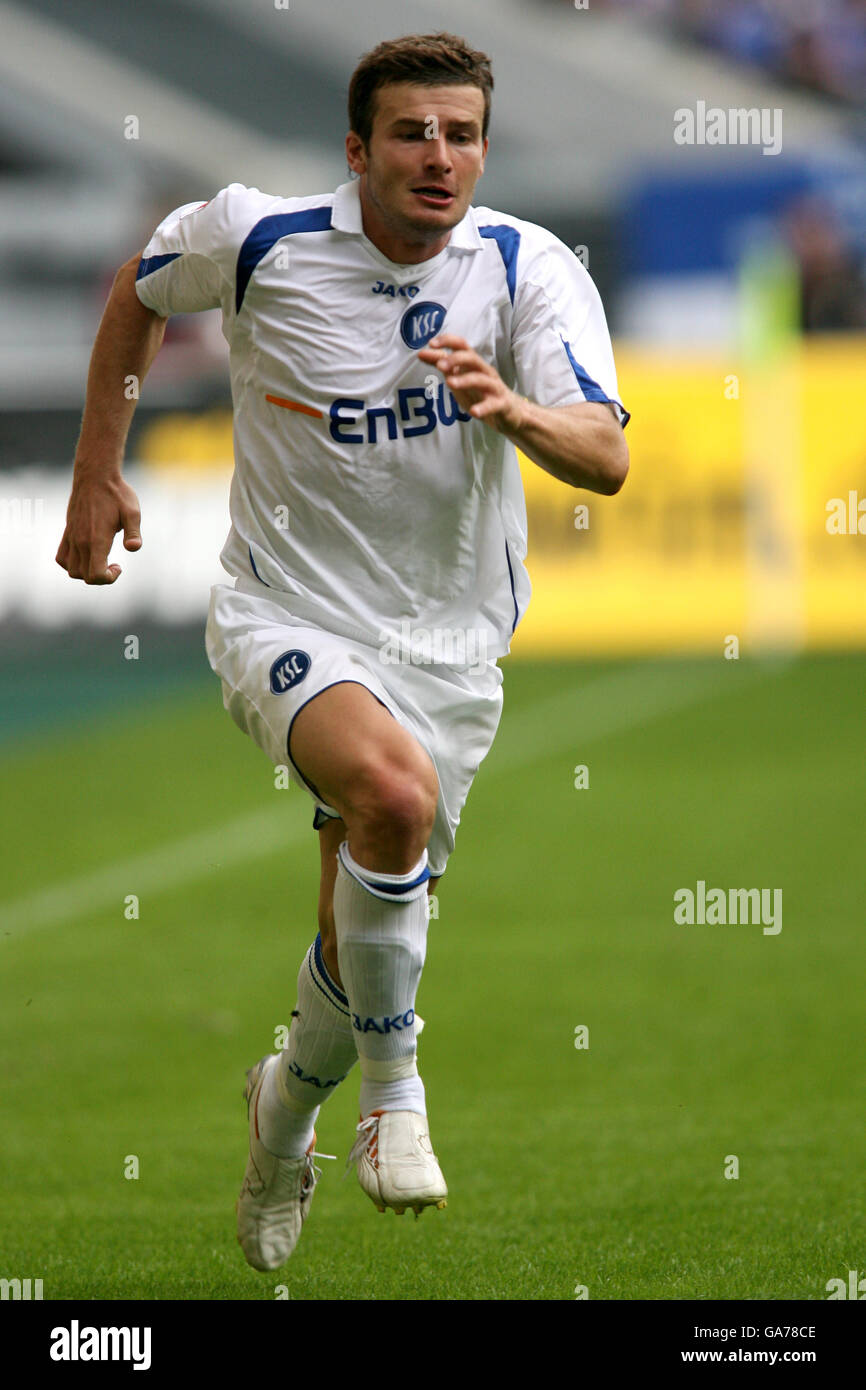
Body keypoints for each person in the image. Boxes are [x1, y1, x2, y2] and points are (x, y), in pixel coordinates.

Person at [56, 31, 630, 1272]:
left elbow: (606, 454)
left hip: (447, 646)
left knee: (354, 914)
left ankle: (283, 1114)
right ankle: (394, 1097)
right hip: (285, 613)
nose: (440, 157)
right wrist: (99, 469)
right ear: (357, 149)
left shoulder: (528, 268)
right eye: (413, 133)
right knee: (389, 795)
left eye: (462, 133)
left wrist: (513, 408)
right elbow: (136, 294)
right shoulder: (254, 235)